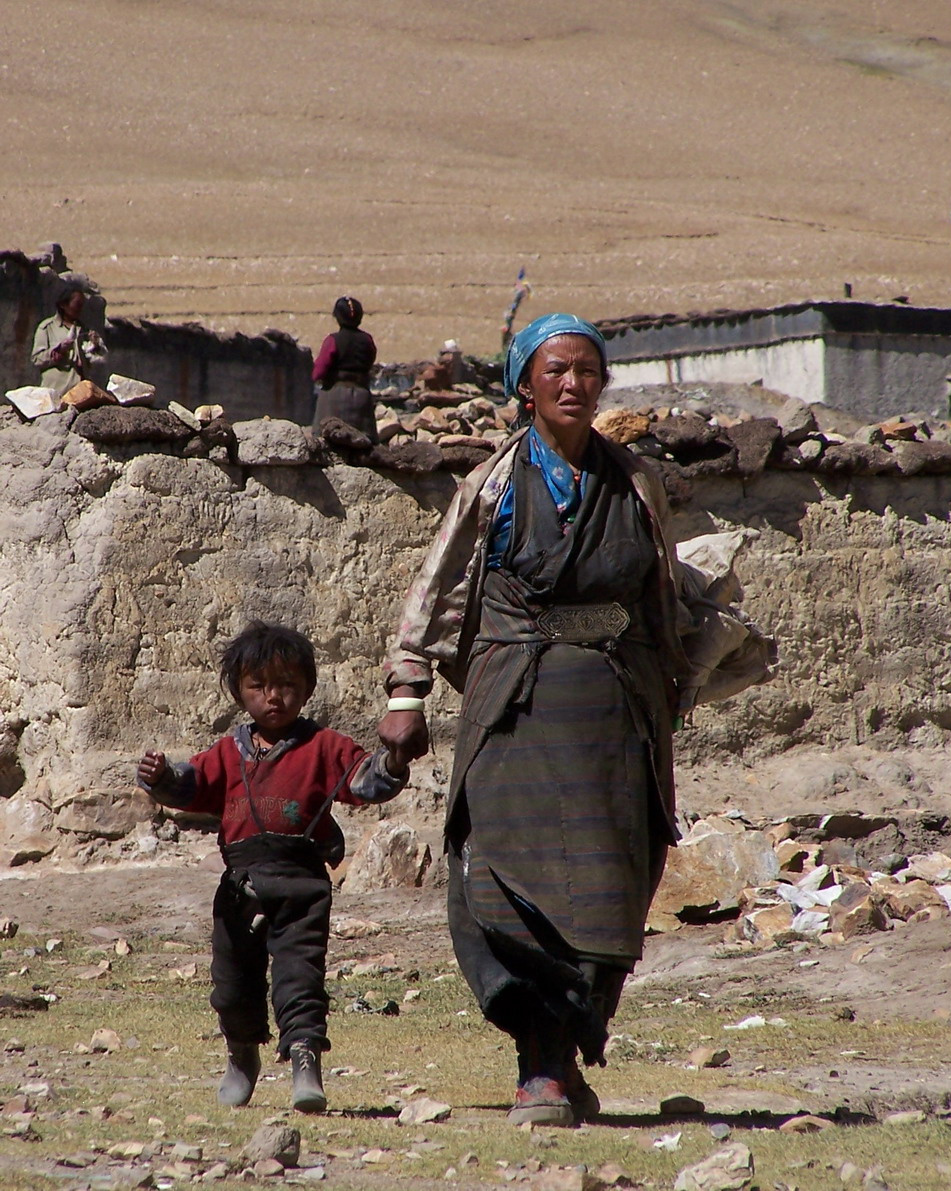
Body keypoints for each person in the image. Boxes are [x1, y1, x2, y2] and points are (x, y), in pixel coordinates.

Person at [378, 312, 702, 1127]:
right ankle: (541, 1067)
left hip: (615, 712)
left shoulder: (635, 483)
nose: (573, 383)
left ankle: (567, 1049)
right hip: (515, 708)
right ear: (525, 385)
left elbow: (662, 594)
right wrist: (406, 690)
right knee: (501, 878)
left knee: (613, 882)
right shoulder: (490, 483)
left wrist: (679, 682)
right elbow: (438, 587)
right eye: (555, 369)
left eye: (588, 370)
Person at [136, 621, 412, 1112]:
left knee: (300, 978)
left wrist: (393, 759)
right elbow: (190, 785)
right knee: (233, 982)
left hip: (302, 886)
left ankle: (306, 1063)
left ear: (305, 689)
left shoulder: (326, 747)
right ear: (239, 692)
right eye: (258, 686)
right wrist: (162, 777)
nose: (274, 697)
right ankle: (242, 1055)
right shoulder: (228, 751)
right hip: (239, 888)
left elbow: (367, 780)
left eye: (286, 685)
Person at [311, 295, 378, 441]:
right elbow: (370, 360)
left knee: (326, 441)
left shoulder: (333, 340)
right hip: (361, 397)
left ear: (337, 317)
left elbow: (319, 372)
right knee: (363, 442)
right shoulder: (367, 340)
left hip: (333, 397)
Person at [31, 284, 108, 398]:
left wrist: (95, 345)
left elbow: (97, 359)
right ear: (63, 305)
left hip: (81, 392)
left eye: (82, 305)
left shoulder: (84, 330)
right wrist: (58, 351)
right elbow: (37, 359)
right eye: (77, 304)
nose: (80, 308)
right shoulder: (47, 328)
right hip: (57, 391)